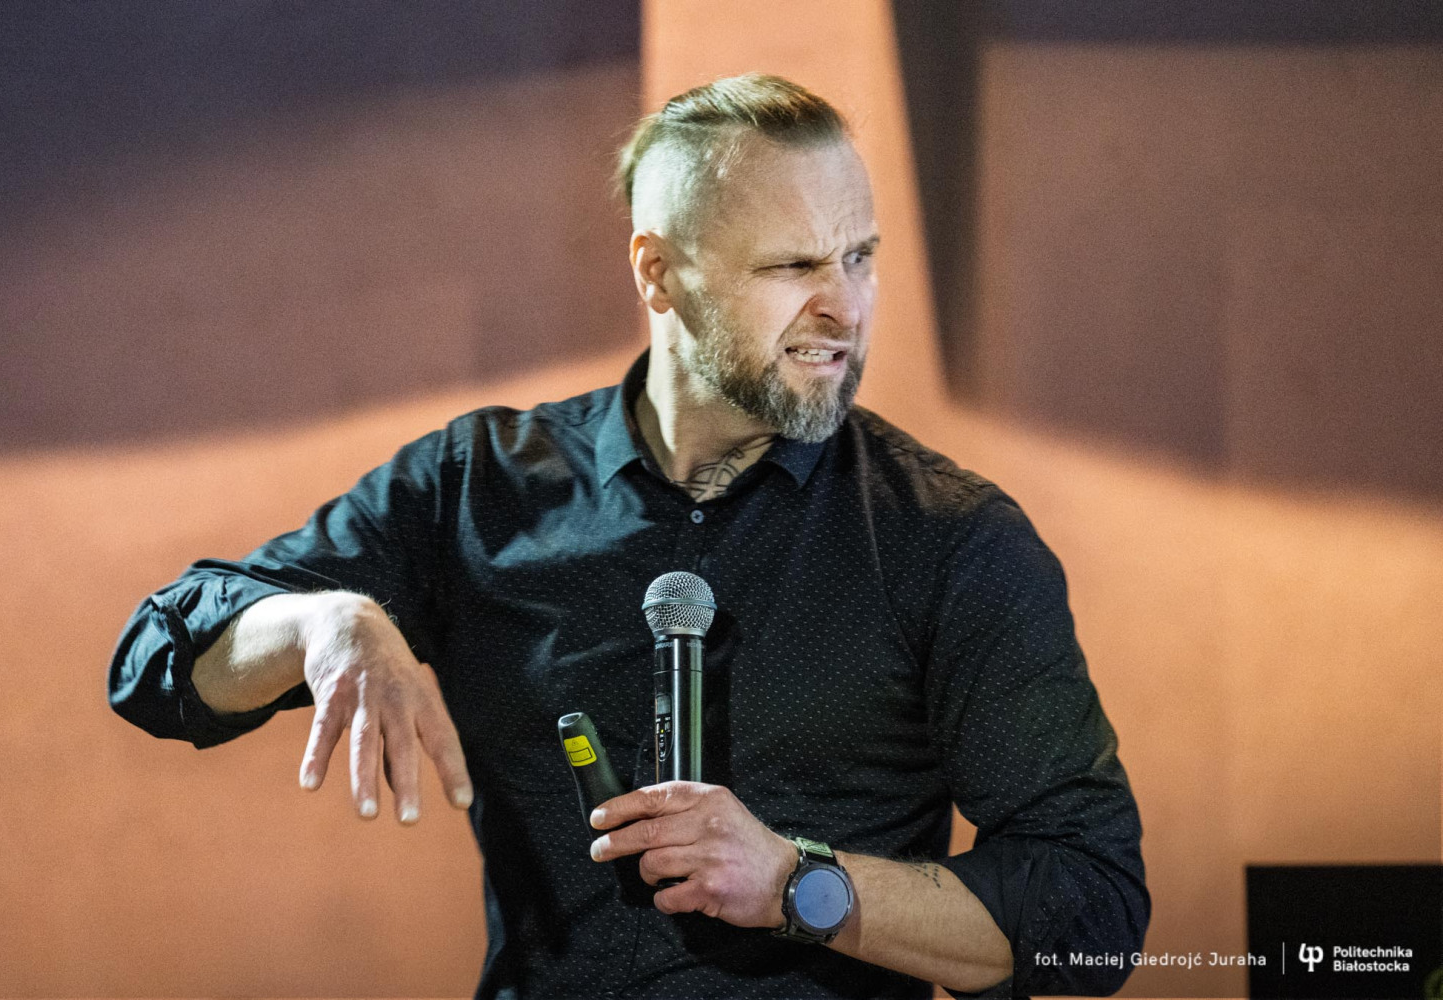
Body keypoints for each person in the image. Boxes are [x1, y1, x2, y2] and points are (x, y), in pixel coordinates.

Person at [109, 74, 1148, 999]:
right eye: (793, 265)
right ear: (658, 273)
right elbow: (152, 663)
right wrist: (322, 622)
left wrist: (798, 884)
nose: (845, 307)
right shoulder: (480, 485)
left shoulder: (951, 541)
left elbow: (1092, 914)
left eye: (860, 256)